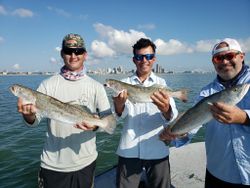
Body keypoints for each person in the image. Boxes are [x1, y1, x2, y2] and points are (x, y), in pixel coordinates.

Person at [17, 33, 113, 188]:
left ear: (85, 54)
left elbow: (108, 122)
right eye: (68, 51)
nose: (73, 55)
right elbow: (34, 121)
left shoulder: (96, 86)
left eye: (78, 51)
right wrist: (28, 115)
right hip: (53, 165)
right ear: (62, 54)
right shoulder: (46, 85)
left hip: (86, 163)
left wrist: (94, 126)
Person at [160, 38, 250, 187]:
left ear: (242, 56)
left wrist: (244, 118)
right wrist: (175, 133)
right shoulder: (206, 92)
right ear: (213, 62)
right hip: (218, 172)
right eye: (219, 58)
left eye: (230, 56)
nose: (225, 61)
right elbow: (192, 123)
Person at [113, 38, 179, 188]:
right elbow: (118, 116)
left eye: (148, 56)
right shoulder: (123, 83)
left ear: (154, 59)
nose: (144, 60)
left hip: (157, 148)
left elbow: (172, 116)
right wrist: (118, 105)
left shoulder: (162, 84)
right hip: (128, 150)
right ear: (134, 60)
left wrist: (166, 109)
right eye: (139, 57)